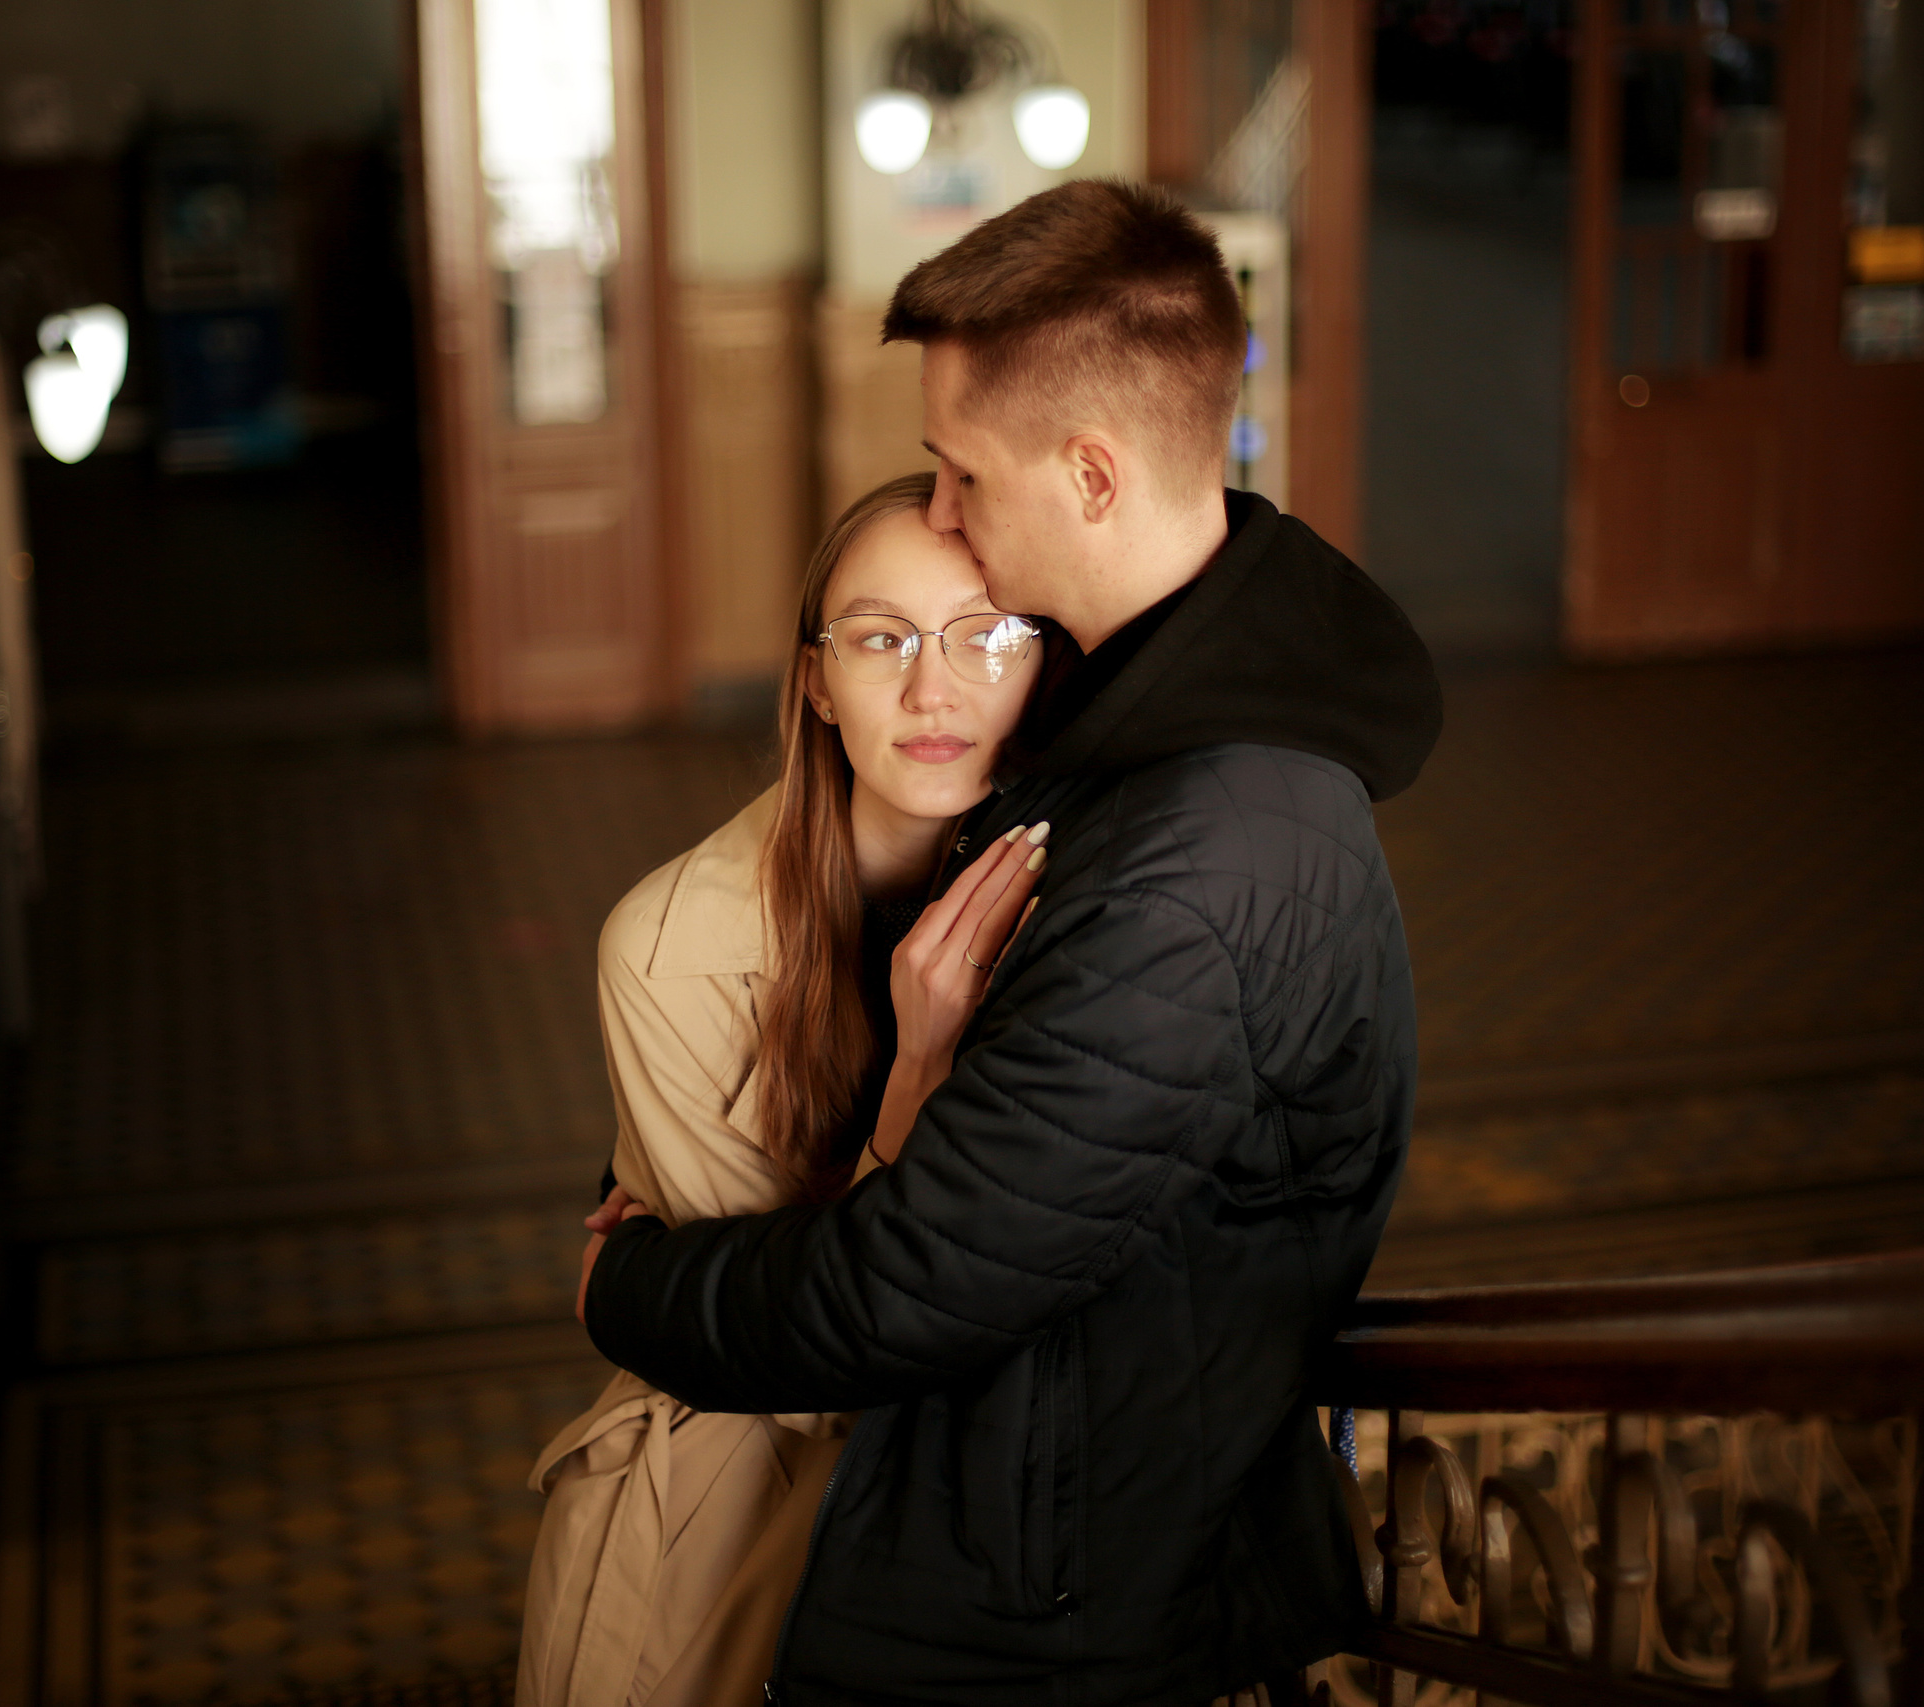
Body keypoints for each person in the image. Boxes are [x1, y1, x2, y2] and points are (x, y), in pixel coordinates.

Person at [581, 180, 1445, 1706]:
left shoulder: (1196, 865)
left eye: (961, 470)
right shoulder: (1134, 727)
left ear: (1092, 476)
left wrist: (624, 1290)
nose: (940, 513)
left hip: (1051, 1615)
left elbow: (899, 1283)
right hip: (1039, 1529)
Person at [517, 473, 1053, 1706]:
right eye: (881, 640)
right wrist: (918, 1064)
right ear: (815, 680)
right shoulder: (665, 945)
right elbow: (808, 1336)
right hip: (743, 1511)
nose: (934, 690)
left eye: (988, 637)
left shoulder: (1110, 892)